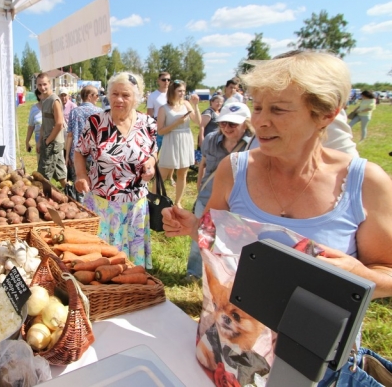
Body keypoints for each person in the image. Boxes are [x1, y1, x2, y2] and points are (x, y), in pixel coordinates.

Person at [161, 51, 392, 383]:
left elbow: (387, 272)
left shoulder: (365, 184)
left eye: (278, 110)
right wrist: (194, 227)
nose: (260, 122)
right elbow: (220, 240)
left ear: (326, 114)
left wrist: (359, 276)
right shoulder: (234, 170)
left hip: (312, 367)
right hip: (230, 357)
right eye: (257, 107)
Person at [74, 72, 157, 269]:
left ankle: (130, 292)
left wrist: (151, 165)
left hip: (135, 204)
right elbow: (79, 152)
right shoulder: (95, 123)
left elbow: (153, 152)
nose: (119, 99)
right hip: (104, 204)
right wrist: (81, 175)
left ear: (136, 98)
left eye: (126, 95)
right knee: (101, 262)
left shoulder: (148, 124)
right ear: (108, 95)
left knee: (131, 266)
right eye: (115, 94)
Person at [187, 103, 253, 280]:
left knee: (230, 243)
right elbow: (205, 163)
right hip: (208, 197)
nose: (227, 128)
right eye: (223, 123)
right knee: (200, 238)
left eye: (233, 124)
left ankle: (222, 278)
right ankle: (194, 273)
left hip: (236, 203)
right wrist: (199, 185)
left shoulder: (254, 144)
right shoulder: (210, 139)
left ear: (245, 124)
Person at [157, 80, 201, 207]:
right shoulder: (163, 109)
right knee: (163, 174)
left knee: (182, 173)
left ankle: (178, 202)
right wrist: (176, 123)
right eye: (179, 91)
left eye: (183, 91)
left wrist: (196, 106)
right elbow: (160, 131)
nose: (182, 93)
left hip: (185, 139)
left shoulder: (187, 104)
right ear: (173, 92)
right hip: (170, 140)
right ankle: (153, 199)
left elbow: (197, 121)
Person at [65, 85, 102, 201]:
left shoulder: (74, 112)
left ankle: (82, 208)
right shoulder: (100, 112)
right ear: (90, 96)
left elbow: (70, 135)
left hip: (77, 154)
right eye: (96, 95)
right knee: (94, 185)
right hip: (95, 154)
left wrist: (67, 155)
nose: (98, 98)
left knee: (80, 185)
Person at [36, 73, 67, 188]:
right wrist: (40, 141)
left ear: (50, 84)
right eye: (39, 85)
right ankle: (73, 195)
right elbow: (44, 123)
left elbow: (59, 123)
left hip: (53, 143)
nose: (42, 87)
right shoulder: (44, 100)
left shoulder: (55, 100)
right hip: (48, 141)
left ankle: (45, 198)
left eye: (44, 84)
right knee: (61, 175)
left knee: (43, 175)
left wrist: (48, 141)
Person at [146, 72, 171, 149]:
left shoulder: (173, 94)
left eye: (168, 79)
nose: (166, 81)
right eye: (163, 79)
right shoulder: (152, 96)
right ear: (158, 81)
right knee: (157, 149)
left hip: (172, 124)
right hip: (159, 126)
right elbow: (150, 114)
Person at [25, 89, 42, 154]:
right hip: (38, 138)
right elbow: (31, 126)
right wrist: (27, 142)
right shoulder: (34, 109)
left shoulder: (51, 106)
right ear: (38, 95)